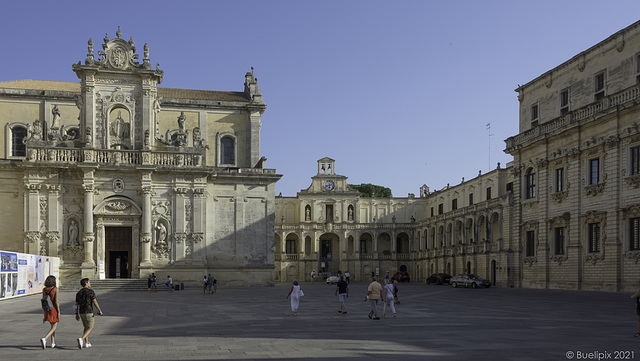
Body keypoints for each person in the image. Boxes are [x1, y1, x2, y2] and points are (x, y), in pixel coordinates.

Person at [75, 278, 103, 349]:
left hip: (81, 312)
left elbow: (75, 304)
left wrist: (76, 313)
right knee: (90, 328)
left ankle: (86, 343)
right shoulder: (90, 292)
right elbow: (94, 301)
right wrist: (99, 310)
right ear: (86, 283)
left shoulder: (78, 293)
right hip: (89, 312)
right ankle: (82, 339)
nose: (90, 283)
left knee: (86, 328)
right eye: (89, 282)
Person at [40, 275, 59, 349]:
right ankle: (45, 339)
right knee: (54, 327)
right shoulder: (55, 289)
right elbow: (56, 301)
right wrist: (58, 311)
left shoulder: (44, 289)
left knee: (52, 326)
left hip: (47, 308)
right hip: (53, 308)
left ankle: (53, 343)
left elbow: (43, 299)